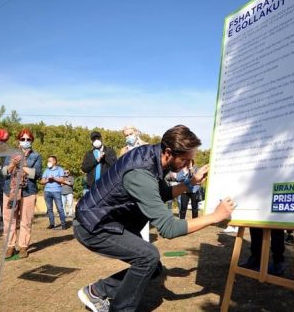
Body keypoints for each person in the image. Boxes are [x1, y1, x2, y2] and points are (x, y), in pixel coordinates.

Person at [74, 125, 236, 312]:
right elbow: (169, 228)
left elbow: (163, 192)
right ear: (168, 152)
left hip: (108, 221)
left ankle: (96, 291)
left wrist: (190, 182)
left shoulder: (152, 156)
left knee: (153, 266)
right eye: (185, 160)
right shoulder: (140, 173)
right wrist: (215, 217)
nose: (188, 165)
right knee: (148, 257)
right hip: (93, 225)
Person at [1, 128, 43, 259]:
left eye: (28, 139)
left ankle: (23, 247)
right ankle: (10, 246)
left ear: (31, 141)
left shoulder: (36, 156)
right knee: (9, 220)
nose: (25, 141)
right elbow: (3, 172)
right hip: (10, 191)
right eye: (23, 139)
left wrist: (21, 166)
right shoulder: (9, 154)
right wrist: (13, 163)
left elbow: (36, 174)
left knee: (26, 220)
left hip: (28, 191)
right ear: (18, 140)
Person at [119, 125, 150, 242]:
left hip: (144, 184)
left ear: (136, 133)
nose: (128, 137)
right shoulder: (123, 150)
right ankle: (134, 240)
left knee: (144, 212)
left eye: (130, 134)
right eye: (126, 135)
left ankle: (145, 241)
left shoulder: (146, 146)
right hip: (129, 185)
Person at [41, 155, 68, 230]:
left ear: (54, 161)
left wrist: (54, 178)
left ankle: (63, 224)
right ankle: (52, 224)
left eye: (50, 161)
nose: (48, 162)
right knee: (49, 209)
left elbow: (62, 180)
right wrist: (48, 180)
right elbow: (42, 181)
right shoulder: (46, 170)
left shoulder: (60, 169)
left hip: (56, 191)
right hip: (47, 191)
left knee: (60, 208)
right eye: (48, 161)